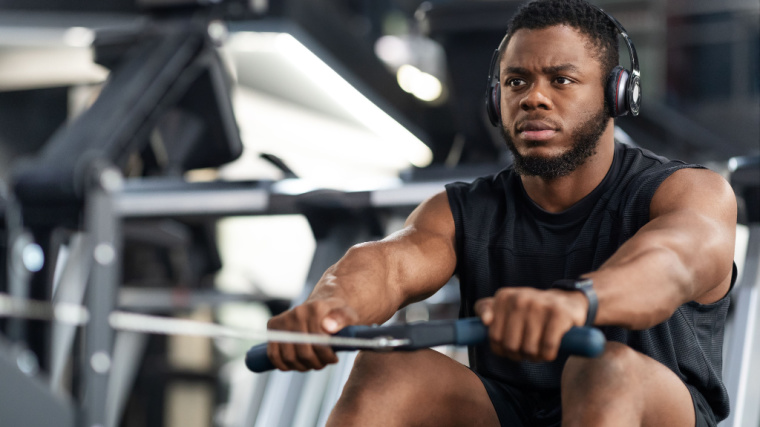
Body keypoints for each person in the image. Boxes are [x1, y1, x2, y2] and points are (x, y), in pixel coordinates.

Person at [264, 0, 737, 425]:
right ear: (497, 99)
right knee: (388, 367)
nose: (533, 97)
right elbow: (388, 264)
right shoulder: (463, 210)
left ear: (615, 94)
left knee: (603, 370)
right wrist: (328, 309)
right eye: (517, 81)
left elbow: (668, 263)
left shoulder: (688, 192)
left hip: (647, 407)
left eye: (562, 80)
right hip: (512, 413)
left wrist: (577, 303)